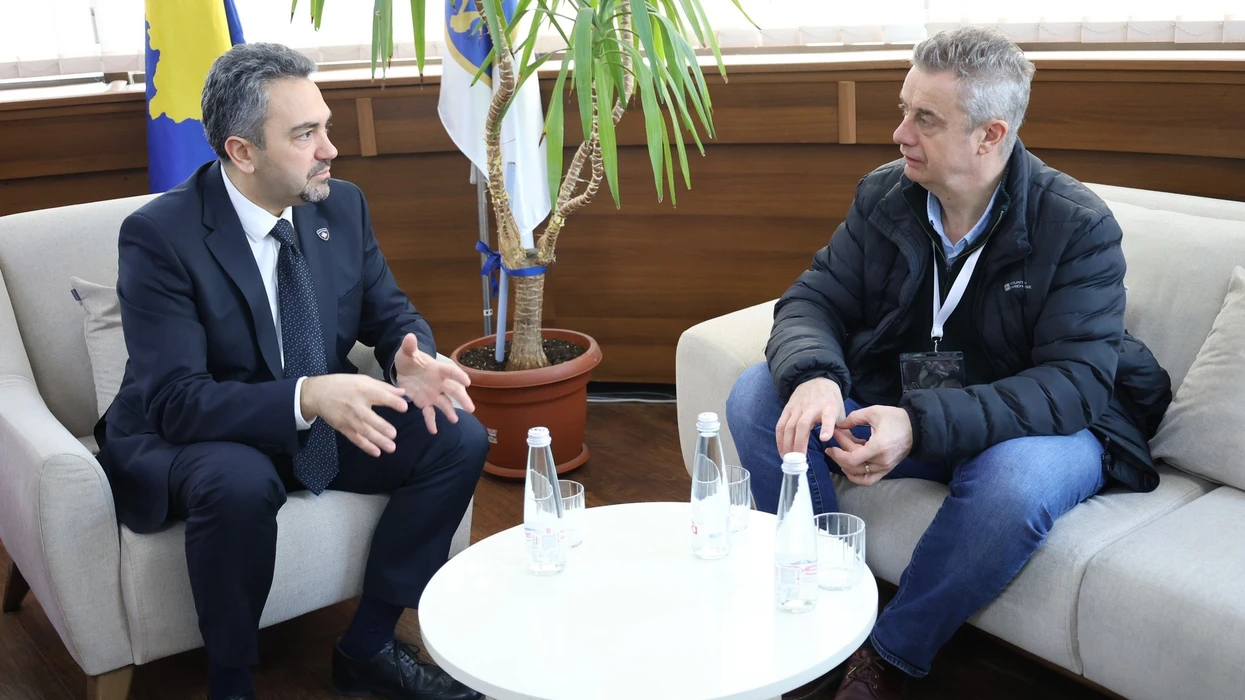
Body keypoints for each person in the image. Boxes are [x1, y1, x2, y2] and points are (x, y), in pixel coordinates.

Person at [725, 27, 1171, 700]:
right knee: (758, 395)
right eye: (903, 109)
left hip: (1038, 426)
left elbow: (1072, 386)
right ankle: (821, 609)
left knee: (1015, 482)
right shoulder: (885, 195)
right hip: (912, 404)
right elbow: (814, 298)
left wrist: (917, 424)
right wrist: (815, 374)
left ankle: (889, 655)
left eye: (925, 119)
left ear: (989, 135)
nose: (899, 133)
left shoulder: (1076, 226)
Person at [95, 43, 487, 700]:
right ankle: (230, 682)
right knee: (239, 482)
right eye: (306, 135)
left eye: (325, 127)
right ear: (242, 152)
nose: (330, 149)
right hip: (199, 429)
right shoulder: (159, 236)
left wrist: (409, 356)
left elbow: (389, 312)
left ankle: (368, 646)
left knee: (455, 436)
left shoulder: (340, 205)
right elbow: (176, 400)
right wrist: (308, 396)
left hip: (314, 409)